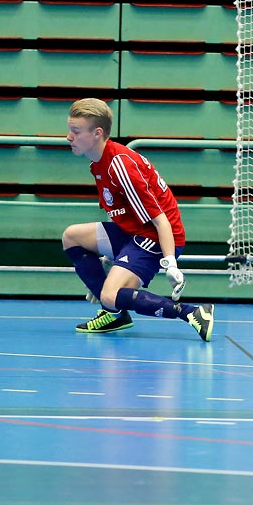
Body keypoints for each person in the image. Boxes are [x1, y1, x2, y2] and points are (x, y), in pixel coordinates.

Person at [61, 98, 214, 341]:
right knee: (72, 236)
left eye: (76, 131)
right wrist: (104, 262)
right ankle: (114, 314)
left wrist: (171, 263)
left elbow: (161, 220)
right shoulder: (98, 163)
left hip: (157, 237)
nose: (69, 136)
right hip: (134, 233)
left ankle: (193, 313)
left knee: (111, 294)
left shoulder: (120, 167)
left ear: (97, 133)